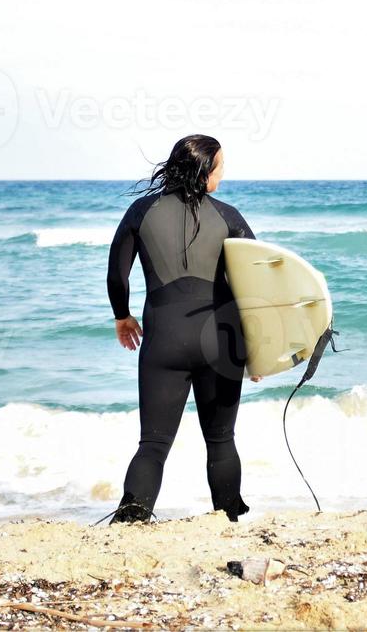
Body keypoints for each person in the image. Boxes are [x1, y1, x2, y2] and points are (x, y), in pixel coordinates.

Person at [105, 134, 255, 523]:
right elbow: (258, 286)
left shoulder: (141, 211)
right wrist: (259, 347)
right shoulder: (229, 216)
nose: (223, 174)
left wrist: (122, 316)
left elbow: (117, 275)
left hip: (164, 340)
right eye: (221, 166)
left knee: (153, 444)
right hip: (221, 342)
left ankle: (133, 518)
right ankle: (228, 521)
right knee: (221, 440)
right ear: (206, 170)